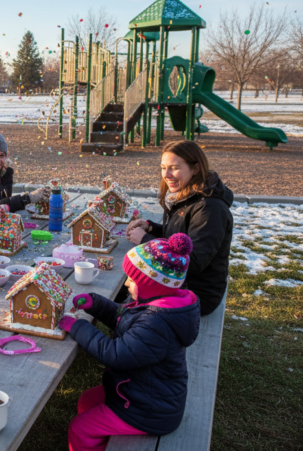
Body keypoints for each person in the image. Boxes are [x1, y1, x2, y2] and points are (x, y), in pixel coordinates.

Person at [58, 234, 201, 451]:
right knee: (87, 401)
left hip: (149, 411)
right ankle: (104, 440)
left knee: (80, 428)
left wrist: (77, 327)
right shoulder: (156, 306)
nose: (126, 283)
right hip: (141, 393)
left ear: (150, 285)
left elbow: (115, 354)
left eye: (131, 280)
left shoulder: (156, 322)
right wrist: (95, 304)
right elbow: (122, 317)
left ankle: (94, 439)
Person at [125, 140, 233, 315]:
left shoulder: (209, 208)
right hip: (177, 282)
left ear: (195, 169)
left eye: (174, 168)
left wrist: (145, 240)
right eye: (163, 167)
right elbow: (178, 237)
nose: (166, 174)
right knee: (127, 280)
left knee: (130, 285)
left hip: (197, 293)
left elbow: (194, 262)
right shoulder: (183, 196)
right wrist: (151, 228)